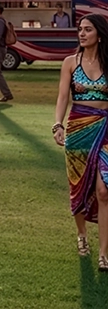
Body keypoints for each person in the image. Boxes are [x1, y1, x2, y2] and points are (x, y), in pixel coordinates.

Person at [53, 13, 108, 269]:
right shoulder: (70, 63)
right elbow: (63, 97)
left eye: (87, 29)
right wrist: (58, 124)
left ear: (99, 33)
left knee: (104, 190)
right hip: (78, 128)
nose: (82, 34)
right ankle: (82, 234)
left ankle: (104, 253)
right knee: (78, 186)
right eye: (80, 30)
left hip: (106, 128)